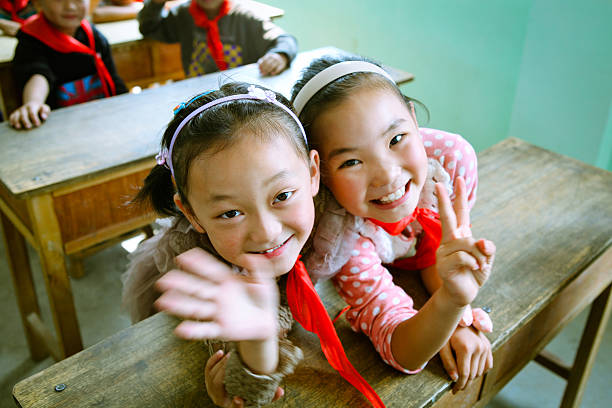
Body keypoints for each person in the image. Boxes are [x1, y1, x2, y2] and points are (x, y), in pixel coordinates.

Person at [122, 82, 384, 407]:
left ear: (314, 172)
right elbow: (243, 382)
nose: (266, 232)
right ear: (191, 213)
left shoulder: (338, 207)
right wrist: (254, 354)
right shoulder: (197, 266)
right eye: (230, 213)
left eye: (282, 196)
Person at [291, 54, 497, 393]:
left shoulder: (451, 161)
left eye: (396, 138)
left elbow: (441, 249)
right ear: (321, 173)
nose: (387, 175)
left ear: (413, 120)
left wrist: (461, 316)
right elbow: (401, 350)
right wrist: (451, 302)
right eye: (352, 161)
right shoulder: (338, 241)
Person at [9, 0, 127, 130]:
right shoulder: (31, 40)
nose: (70, 6)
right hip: (58, 130)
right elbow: (38, 74)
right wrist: (34, 102)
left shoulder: (93, 35)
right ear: (38, 3)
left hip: (100, 122)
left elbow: (113, 80)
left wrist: (127, 103)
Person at [138, 0, 297, 77]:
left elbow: (285, 40)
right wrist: (156, 4)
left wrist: (279, 55)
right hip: (200, 96)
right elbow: (149, 28)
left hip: (242, 97)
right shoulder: (183, 14)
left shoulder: (246, 16)